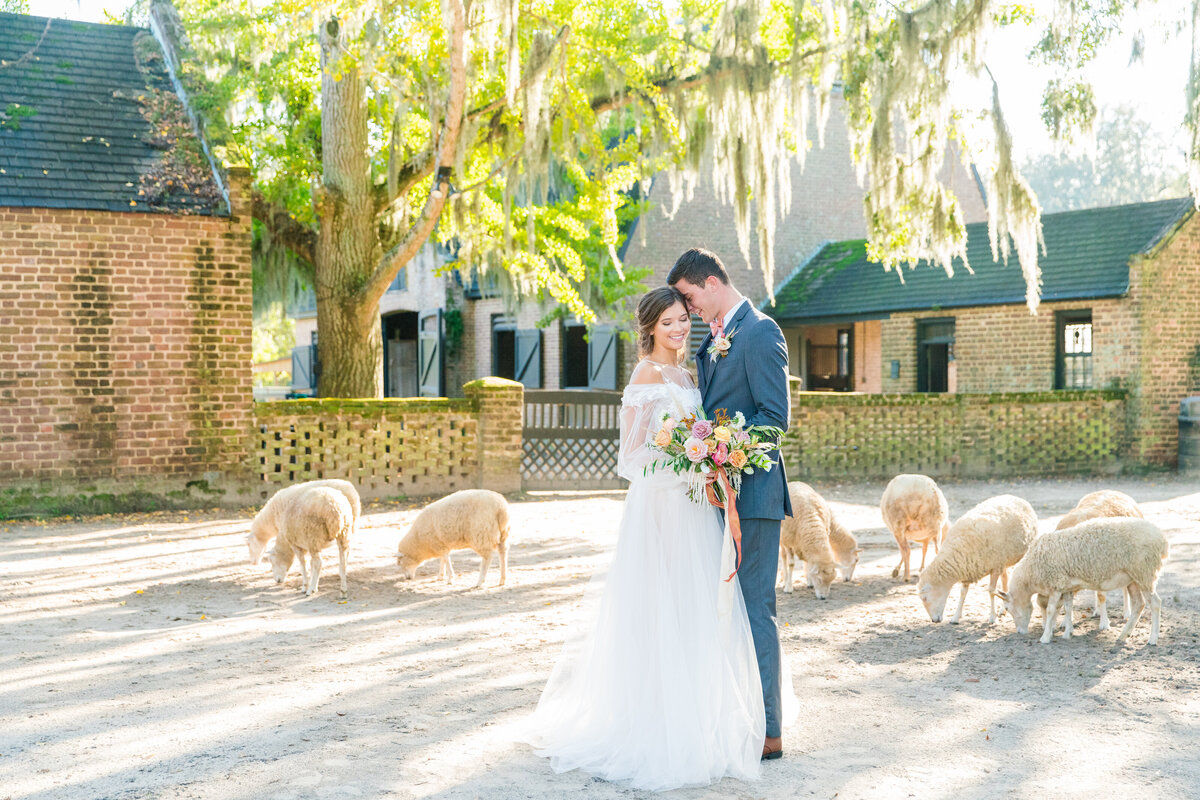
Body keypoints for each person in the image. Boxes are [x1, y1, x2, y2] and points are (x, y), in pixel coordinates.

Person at [519, 286, 765, 791]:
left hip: (695, 507)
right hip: (660, 508)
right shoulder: (647, 375)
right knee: (663, 608)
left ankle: (696, 718)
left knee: (696, 610)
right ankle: (655, 725)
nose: (679, 329)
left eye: (683, 320)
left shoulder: (688, 372)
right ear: (650, 327)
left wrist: (706, 462)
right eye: (669, 322)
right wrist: (684, 465)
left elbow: (694, 434)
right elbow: (630, 458)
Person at [668, 247, 793, 761]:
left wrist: (727, 450)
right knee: (723, 611)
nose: (690, 311)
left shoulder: (761, 331)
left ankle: (770, 732)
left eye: (691, 299)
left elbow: (774, 418)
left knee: (755, 610)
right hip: (714, 495)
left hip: (755, 497)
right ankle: (733, 715)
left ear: (713, 283)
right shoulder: (714, 338)